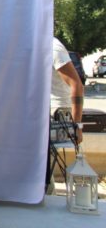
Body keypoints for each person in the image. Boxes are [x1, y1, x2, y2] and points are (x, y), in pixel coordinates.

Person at [46, 37, 84, 193]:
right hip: (46, 109)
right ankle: (47, 192)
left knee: (43, 160)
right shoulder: (36, 43)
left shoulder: (53, 47)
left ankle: (47, 194)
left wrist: (77, 126)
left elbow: (77, 85)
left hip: (58, 111)